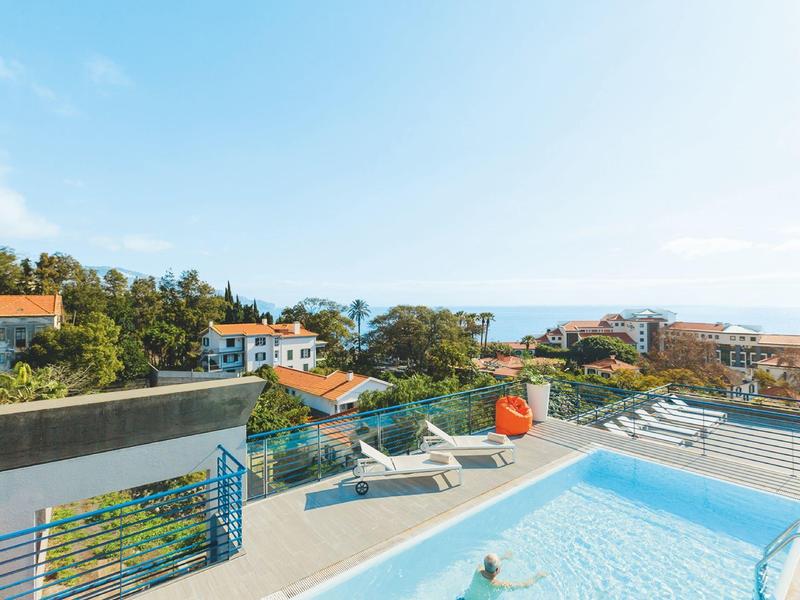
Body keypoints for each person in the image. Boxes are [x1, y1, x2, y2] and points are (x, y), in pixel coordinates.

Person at [460, 551, 546, 599]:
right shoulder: (497, 585)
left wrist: (504, 557)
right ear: (498, 570)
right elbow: (525, 585)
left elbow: (490, 563)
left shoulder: (478, 570)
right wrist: (538, 576)